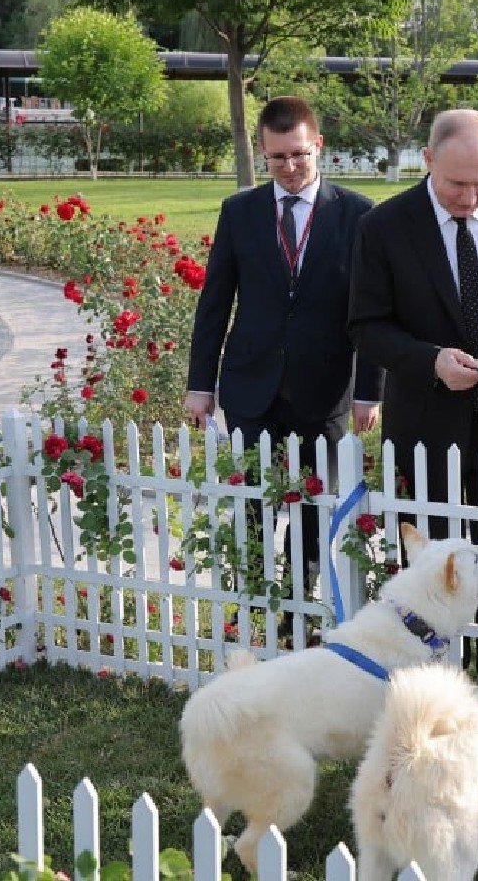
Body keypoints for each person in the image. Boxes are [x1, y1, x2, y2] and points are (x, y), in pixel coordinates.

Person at [348, 109, 478, 655]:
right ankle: (435, 669)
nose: (470, 198)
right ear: (428, 161)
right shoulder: (384, 226)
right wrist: (431, 360)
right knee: (433, 563)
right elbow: (366, 327)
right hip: (427, 423)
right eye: (456, 184)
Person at [185, 96, 382, 591]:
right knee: (252, 503)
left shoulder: (359, 214)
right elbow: (214, 304)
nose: (289, 167)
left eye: (299, 154)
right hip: (250, 389)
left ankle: (300, 605)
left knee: (313, 511)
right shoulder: (240, 212)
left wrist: (368, 390)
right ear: (262, 152)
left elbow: (374, 311)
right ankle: (256, 605)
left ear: (318, 145)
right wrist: (199, 384)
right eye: (277, 157)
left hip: (325, 393)